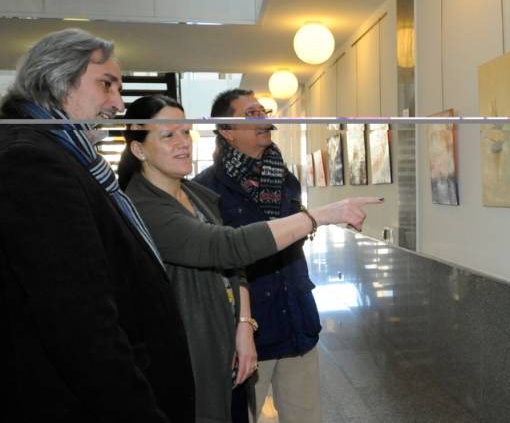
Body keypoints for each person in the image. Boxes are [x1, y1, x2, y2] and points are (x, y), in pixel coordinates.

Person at [118, 94, 380, 423]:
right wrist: (320, 216)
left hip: (288, 319)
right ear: (139, 149)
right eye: (169, 134)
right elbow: (228, 247)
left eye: (185, 132)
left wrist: (243, 324)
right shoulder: (163, 200)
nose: (183, 142)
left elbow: (234, 266)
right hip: (208, 343)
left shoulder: (205, 194)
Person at [0, 28, 195, 422]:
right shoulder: (33, 162)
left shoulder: (65, 157)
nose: (119, 104)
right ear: (57, 80)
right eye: (106, 85)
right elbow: (80, 324)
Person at [194, 89, 321, 423]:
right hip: (249, 336)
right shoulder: (205, 189)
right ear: (226, 130)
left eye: (263, 111)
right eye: (251, 114)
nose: (263, 119)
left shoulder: (286, 179)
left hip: (298, 323)